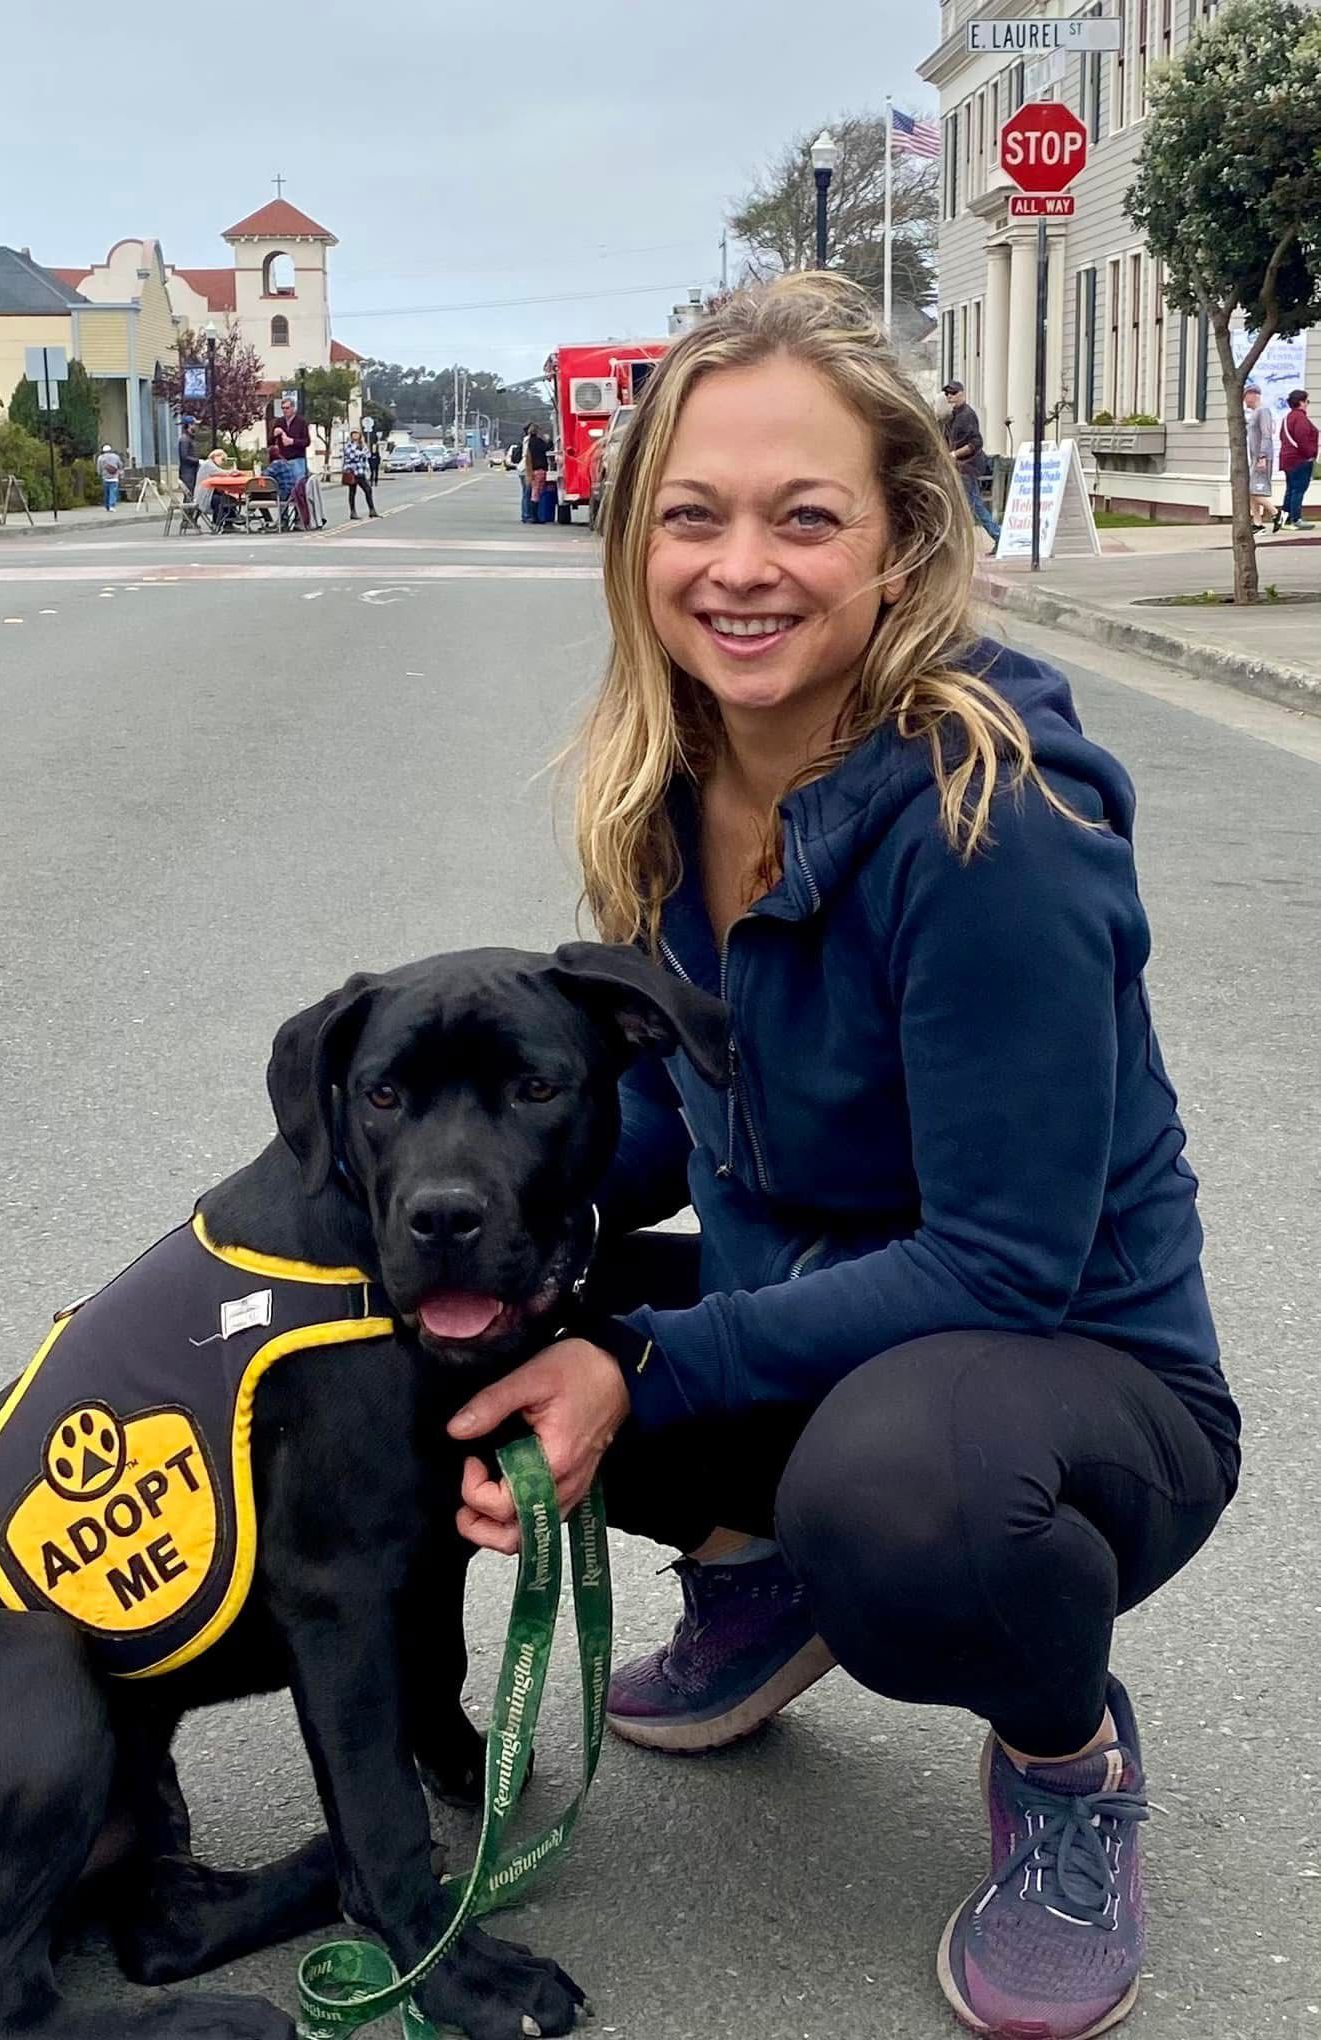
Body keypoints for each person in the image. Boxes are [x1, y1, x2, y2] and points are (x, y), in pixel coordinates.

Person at [448, 274, 1239, 2040]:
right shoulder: (668, 779)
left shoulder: (990, 822)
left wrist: (636, 1365)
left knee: (895, 1494)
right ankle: (758, 1575)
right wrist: (477, 1217)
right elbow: (678, 1118)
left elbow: (998, 1266)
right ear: (633, 540)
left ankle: (1066, 1763)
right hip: (828, 1314)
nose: (740, 567)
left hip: (1071, 1384)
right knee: (476, 1315)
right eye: (693, 517)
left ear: (901, 544)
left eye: (804, 518)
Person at [941, 378, 1000, 549]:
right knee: (965, 504)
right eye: (947, 393)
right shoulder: (952, 416)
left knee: (974, 504)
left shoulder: (967, 415)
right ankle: (995, 535)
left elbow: (976, 442)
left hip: (967, 467)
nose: (949, 396)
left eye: (953, 393)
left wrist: (955, 454)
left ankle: (998, 535)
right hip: (959, 467)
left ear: (962, 394)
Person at [1275, 388, 1316, 532]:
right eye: (1307, 401)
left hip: (1288, 459)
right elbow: (1303, 439)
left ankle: (1285, 520)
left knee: (1291, 489)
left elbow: (1282, 437)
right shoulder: (1300, 418)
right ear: (1301, 402)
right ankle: (1296, 519)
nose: (1307, 404)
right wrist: (1311, 454)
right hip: (1300, 460)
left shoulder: (1288, 418)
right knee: (1298, 489)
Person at [268, 397, 308, 526]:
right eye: (283, 408)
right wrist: (274, 434)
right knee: (283, 488)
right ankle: (283, 519)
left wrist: (292, 441)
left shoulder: (301, 422)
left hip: (297, 459)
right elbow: (269, 441)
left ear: (293, 408)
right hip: (283, 460)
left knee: (298, 489)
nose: (285, 410)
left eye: (287, 408)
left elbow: (306, 441)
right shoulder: (279, 422)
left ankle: (298, 518)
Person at [1244, 383, 1278, 533]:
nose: (1244, 400)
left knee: (1253, 490)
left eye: (1245, 396)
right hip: (1255, 457)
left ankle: (1276, 513)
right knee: (1250, 490)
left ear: (1253, 395)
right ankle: (1257, 523)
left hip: (1261, 457)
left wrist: (1262, 456)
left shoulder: (1263, 411)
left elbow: (1266, 434)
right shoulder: (1254, 413)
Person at [341, 428, 379, 519]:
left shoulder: (362, 445)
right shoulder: (349, 445)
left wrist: (361, 454)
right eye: (353, 434)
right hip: (352, 471)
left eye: (357, 434)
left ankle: (372, 510)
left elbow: (368, 455)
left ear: (360, 435)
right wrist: (361, 453)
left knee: (368, 489)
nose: (355, 435)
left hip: (360, 471)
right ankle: (353, 512)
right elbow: (351, 456)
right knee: (352, 491)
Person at [525, 419, 553, 523]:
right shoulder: (538, 442)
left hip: (533, 469)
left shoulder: (529, 442)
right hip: (539, 469)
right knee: (537, 493)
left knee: (534, 492)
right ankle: (535, 516)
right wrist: (549, 440)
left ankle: (533, 515)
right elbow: (547, 448)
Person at [177, 416, 201, 498]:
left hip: (191, 472)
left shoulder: (190, 438)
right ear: (189, 425)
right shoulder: (184, 439)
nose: (196, 426)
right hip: (187, 474)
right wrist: (198, 460)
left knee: (191, 495)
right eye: (194, 424)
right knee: (189, 495)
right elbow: (184, 457)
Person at [94, 444, 123, 512]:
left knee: (106, 493)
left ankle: (107, 506)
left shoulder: (100, 458)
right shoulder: (116, 456)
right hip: (114, 477)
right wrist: (119, 472)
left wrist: (99, 474)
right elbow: (120, 465)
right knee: (113, 492)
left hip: (105, 478)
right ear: (110, 450)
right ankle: (112, 506)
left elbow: (98, 468)